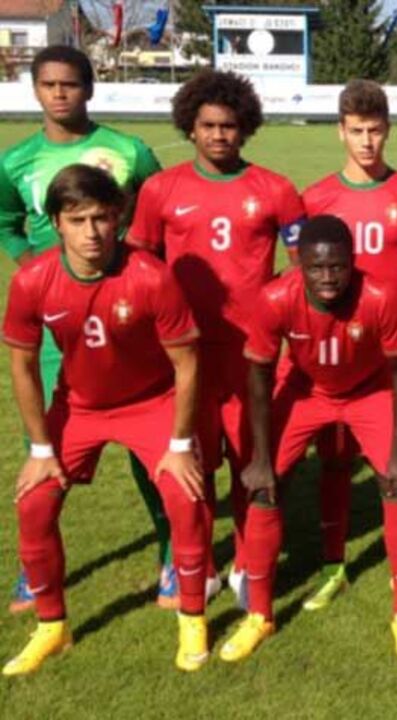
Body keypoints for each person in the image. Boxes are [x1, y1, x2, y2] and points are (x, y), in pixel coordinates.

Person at [1, 165, 209, 675]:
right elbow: (23, 366)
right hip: (79, 407)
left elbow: (187, 363)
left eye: (101, 218)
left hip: (151, 402)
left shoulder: (152, 276)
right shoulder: (33, 281)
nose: (91, 232)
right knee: (34, 502)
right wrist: (41, 450)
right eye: (77, 219)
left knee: (186, 495)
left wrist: (180, 443)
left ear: (118, 218)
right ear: (55, 222)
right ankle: (53, 626)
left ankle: (192, 616)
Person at [127, 69, 305, 609]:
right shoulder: (161, 190)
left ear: (244, 127)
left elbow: (300, 272)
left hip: (252, 355)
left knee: (252, 460)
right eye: (207, 125)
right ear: (191, 126)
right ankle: (195, 564)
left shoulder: (275, 189)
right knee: (193, 463)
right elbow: (140, 265)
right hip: (185, 354)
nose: (218, 135)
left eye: (229, 125)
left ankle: (250, 565)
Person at [224, 214, 397, 662]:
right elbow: (258, 379)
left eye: (337, 266)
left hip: (368, 390)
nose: (328, 277)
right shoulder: (276, 298)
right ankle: (259, 615)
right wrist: (259, 456)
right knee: (264, 486)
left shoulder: (379, 296)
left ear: (353, 261)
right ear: (299, 265)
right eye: (316, 267)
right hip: (305, 391)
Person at [300, 79, 397, 612]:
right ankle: (334, 563)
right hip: (333, 359)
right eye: (356, 131)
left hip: (396, 359)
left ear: (388, 131)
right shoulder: (314, 199)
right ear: (340, 132)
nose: (366, 142)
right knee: (334, 461)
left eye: (375, 131)